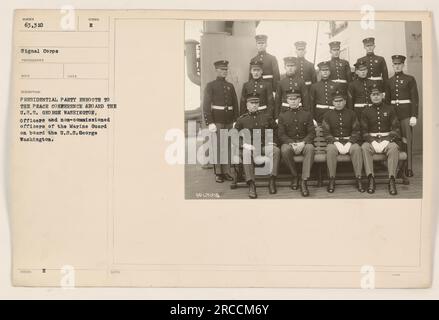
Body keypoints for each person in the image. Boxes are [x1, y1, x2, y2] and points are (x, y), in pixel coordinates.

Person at [234, 93, 281, 199]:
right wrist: (244, 145)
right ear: (247, 105)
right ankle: (251, 184)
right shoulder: (242, 120)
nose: (254, 105)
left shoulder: (266, 117)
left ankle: (272, 180)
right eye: (251, 103)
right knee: (246, 153)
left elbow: (277, 129)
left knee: (276, 150)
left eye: (256, 103)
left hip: (264, 146)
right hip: (251, 148)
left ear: (259, 104)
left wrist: (274, 141)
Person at [361, 82, 401, 195]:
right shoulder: (365, 111)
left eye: (378, 94)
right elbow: (363, 131)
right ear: (370, 96)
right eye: (373, 95)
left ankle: (392, 179)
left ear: (382, 95)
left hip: (387, 140)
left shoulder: (390, 109)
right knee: (364, 147)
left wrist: (387, 140)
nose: (376, 96)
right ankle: (370, 178)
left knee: (393, 148)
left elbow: (396, 128)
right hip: (372, 141)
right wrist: (372, 141)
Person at [202, 60, 239, 183]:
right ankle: (218, 172)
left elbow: (235, 104)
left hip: (229, 121)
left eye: (226, 69)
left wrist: (235, 120)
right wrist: (210, 122)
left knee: (227, 147)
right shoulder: (210, 85)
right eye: (222, 69)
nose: (225, 72)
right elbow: (206, 105)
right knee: (218, 147)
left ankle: (227, 171)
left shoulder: (230, 86)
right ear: (216, 70)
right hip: (217, 120)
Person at [322, 88, 365, 193]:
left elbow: (356, 130)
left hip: (349, 141)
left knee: (357, 149)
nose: (338, 103)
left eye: (341, 101)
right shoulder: (327, 115)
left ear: (345, 101)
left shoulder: (352, 114)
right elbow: (326, 133)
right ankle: (331, 179)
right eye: (336, 101)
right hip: (334, 142)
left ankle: (359, 178)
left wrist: (350, 142)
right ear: (332, 102)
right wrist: (335, 142)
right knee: (331, 150)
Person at [385, 54, 419, 177]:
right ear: (392, 66)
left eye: (399, 64)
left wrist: (414, 115)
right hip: (393, 115)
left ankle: (408, 168)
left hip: (406, 115)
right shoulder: (389, 81)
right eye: (395, 64)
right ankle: (397, 167)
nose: (397, 66)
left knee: (407, 141)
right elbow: (387, 102)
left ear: (403, 65)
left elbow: (414, 98)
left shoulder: (410, 79)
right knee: (395, 140)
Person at [278, 89, 316, 197]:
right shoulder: (282, 115)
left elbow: (312, 133)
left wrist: (303, 143)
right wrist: (291, 143)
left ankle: (304, 180)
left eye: (295, 99)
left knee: (310, 148)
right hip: (290, 144)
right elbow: (281, 134)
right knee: (284, 149)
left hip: (303, 143)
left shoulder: (307, 114)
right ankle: (295, 175)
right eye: (290, 99)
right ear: (287, 100)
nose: (293, 101)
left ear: (299, 100)